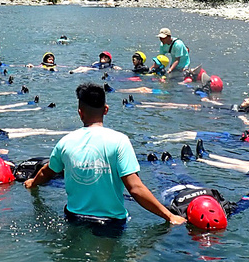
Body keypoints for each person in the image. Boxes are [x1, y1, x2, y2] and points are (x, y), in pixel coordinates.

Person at [24, 83, 187, 227]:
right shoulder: (119, 141)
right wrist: (170, 216)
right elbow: (135, 188)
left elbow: (47, 172)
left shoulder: (65, 142)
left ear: (80, 113)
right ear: (106, 110)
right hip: (111, 223)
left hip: (74, 218)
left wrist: (33, 183)